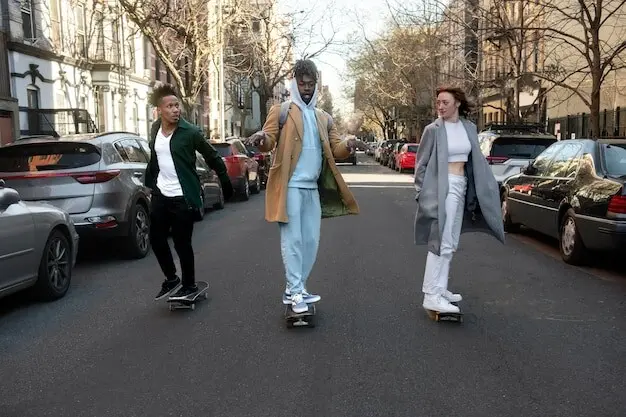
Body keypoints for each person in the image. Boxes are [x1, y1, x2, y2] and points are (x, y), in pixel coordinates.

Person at [246, 59, 359, 314]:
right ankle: (296, 291)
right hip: (290, 186)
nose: (306, 88)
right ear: (294, 84)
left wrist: (349, 144)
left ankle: (296, 287)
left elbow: (337, 148)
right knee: (293, 241)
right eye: (302, 83)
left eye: (310, 84)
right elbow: (269, 138)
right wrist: (262, 138)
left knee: (311, 241)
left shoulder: (323, 117)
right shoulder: (282, 111)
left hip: (312, 188)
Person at [414, 86, 505, 313]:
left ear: (457, 103)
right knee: (440, 240)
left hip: (462, 185)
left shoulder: (469, 127)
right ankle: (431, 295)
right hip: (443, 187)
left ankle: (440, 287)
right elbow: (421, 165)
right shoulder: (433, 130)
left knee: (451, 242)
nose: (440, 106)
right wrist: (422, 193)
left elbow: (475, 159)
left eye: (445, 102)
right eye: (438, 102)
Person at [144, 84, 234, 301]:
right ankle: (171, 278)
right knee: (156, 238)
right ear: (159, 110)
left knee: (181, 243)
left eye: (177, 105)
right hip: (161, 193)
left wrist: (224, 180)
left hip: (183, 196)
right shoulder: (155, 129)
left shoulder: (190, 132)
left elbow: (211, 155)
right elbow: (156, 158)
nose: (176, 110)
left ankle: (189, 284)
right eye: (170, 106)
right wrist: (151, 182)